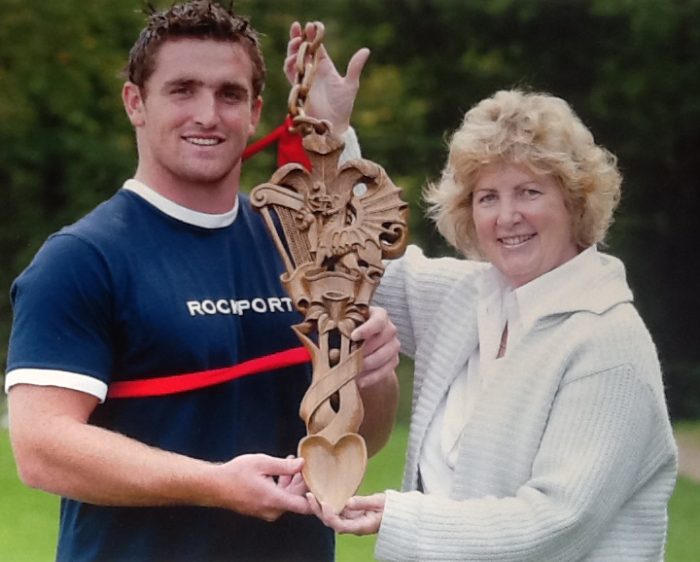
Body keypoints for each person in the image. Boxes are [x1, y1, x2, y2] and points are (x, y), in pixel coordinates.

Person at [5, 2, 399, 561]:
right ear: (135, 103)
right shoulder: (82, 259)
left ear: (257, 110)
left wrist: (374, 374)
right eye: (182, 90)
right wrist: (217, 485)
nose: (208, 115)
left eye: (229, 94)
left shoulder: (300, 246)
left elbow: (365, 437)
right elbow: (41, 449)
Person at [305, 89, 678, 560]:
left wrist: (402, 518)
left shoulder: (609, 343)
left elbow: (557, 522)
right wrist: (334, 133)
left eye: (529, 191)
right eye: (488, 197)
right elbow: (364, 266)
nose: (507, 217)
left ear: (575, 202)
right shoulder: (469, 296)